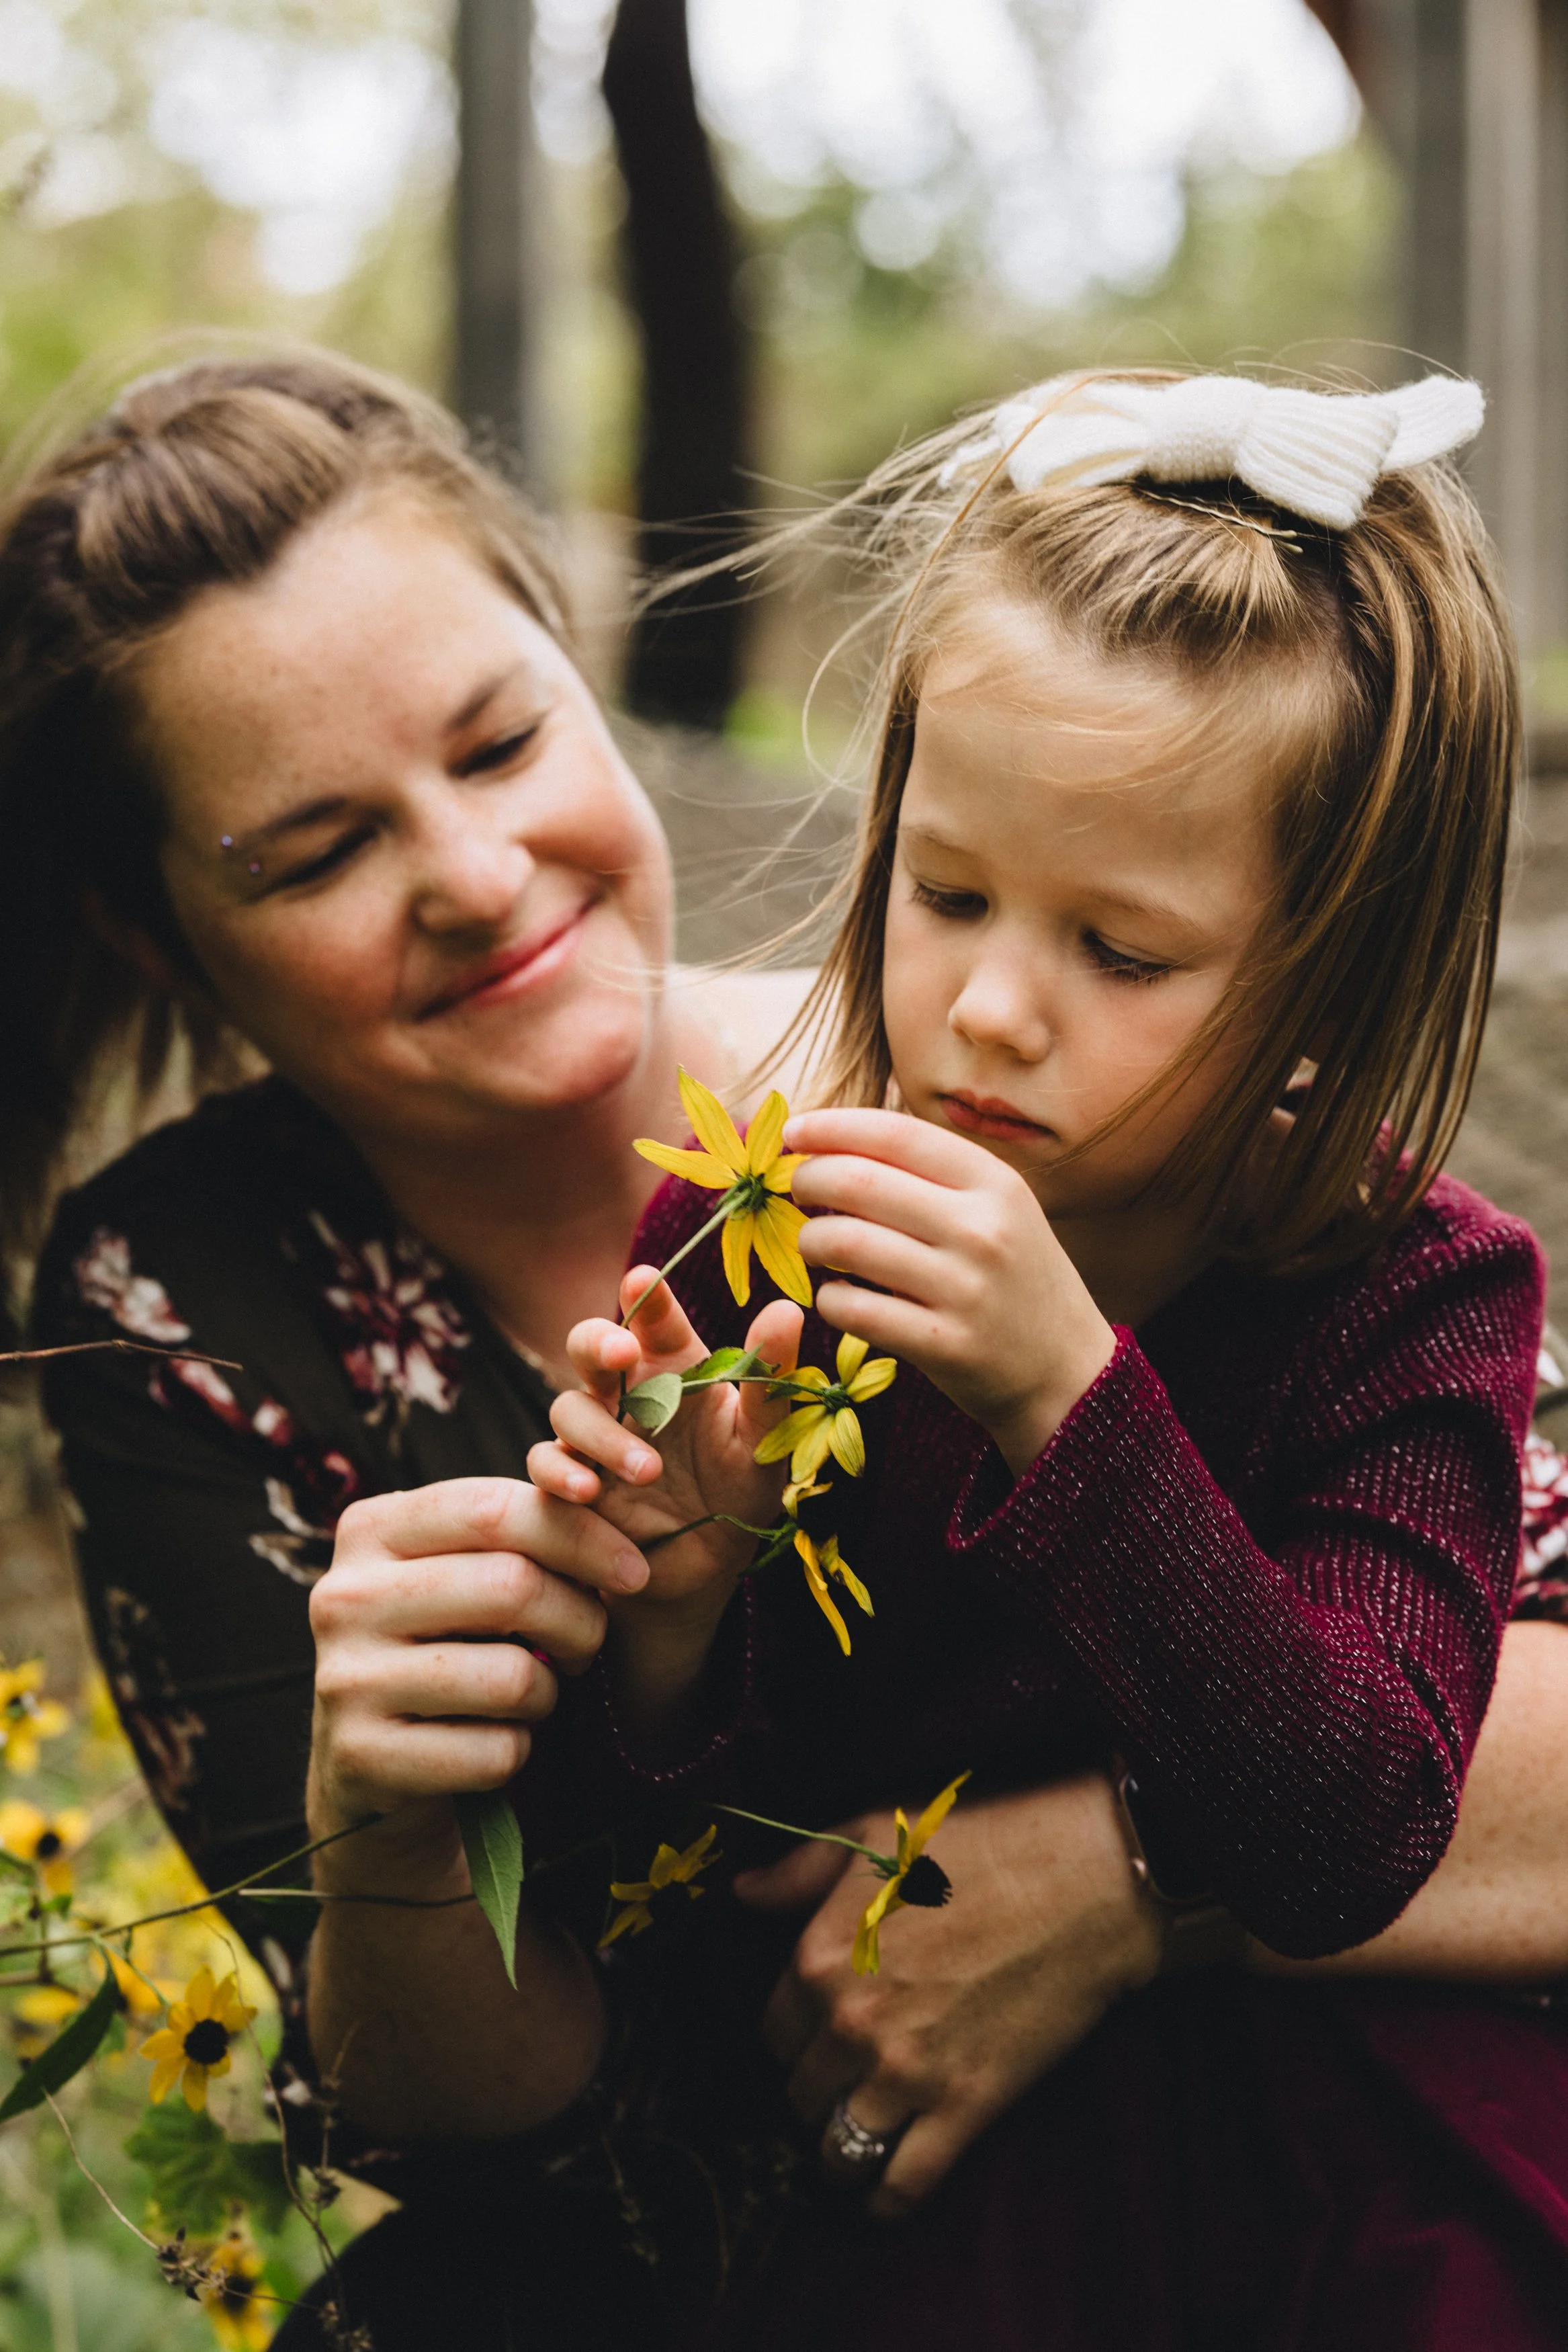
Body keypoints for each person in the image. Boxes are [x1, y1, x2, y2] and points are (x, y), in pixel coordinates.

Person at [0, 349, 1562, 2349]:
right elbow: (589, 1965)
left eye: (496, 743)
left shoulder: (1336, 1251)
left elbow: (1399, 1755)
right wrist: (649, 1626)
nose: (476, 880)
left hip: (1335, 2152)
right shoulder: (654, 1255)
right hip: (865, 2225)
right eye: (313, 854)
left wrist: (1107, 1861)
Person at [528, 370, 1568, 2348]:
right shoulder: (759, 1237)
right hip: (943, 2190)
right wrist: (662, 1624)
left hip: (1351, 2153)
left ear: (1321, 975)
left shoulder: (1409, 1296)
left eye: (1123, 950)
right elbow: (648, 1905)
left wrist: (1063, 1395)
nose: (991, 1007)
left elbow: (1343, 1831)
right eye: (946, 894)